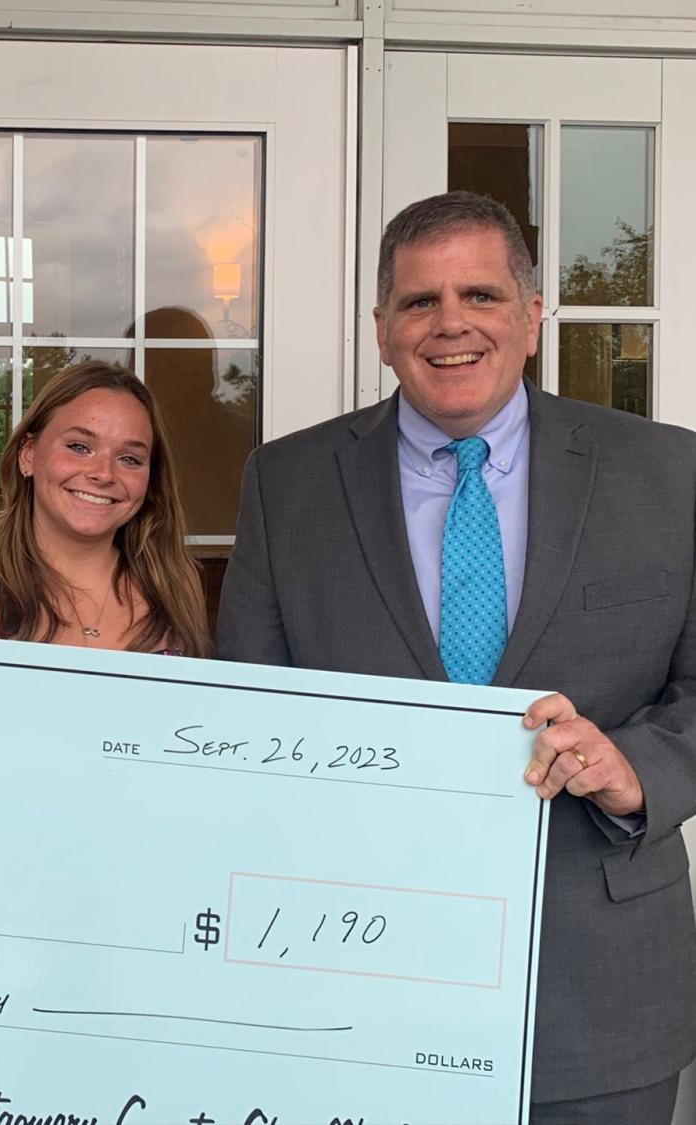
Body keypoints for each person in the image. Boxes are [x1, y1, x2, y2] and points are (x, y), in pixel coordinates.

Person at [216, 190, 696, 1123]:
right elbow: (253, 713)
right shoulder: (288, 483)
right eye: (418, 302)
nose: (451, 326)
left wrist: (635, 767)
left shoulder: (670, 473)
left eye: (479, 294)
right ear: (382, 328)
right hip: (353, 977)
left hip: (600, 987)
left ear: (530, 314)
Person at [0, 361, 209, 657]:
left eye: (129, 458)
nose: (103, 474)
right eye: (79, 447)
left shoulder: (177, 589)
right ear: (27, 455)